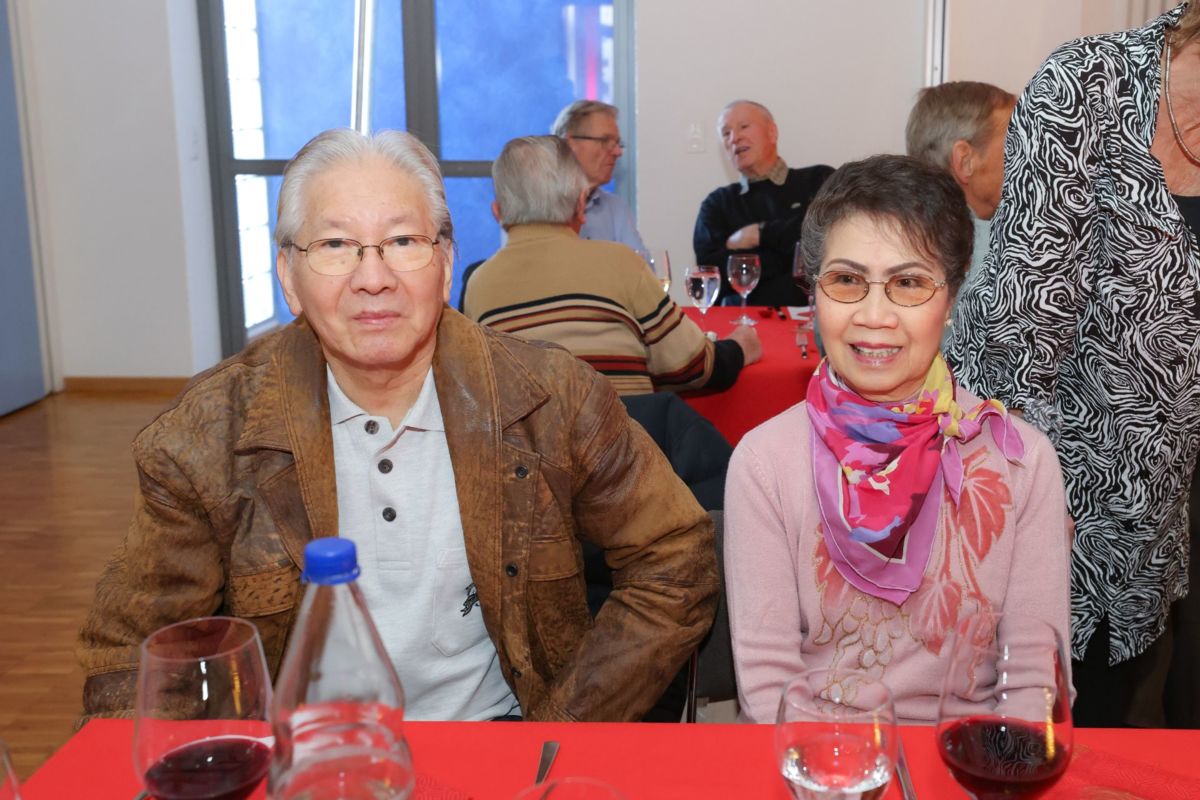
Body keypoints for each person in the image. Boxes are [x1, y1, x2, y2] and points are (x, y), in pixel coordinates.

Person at [77, 129, 719, 724]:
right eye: (335, 246)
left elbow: (674, 557)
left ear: (446, 263)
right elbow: (132, 654)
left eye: (404, 242)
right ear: (288, 277)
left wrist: (565, 729)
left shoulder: (552, 397)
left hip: (503, 740)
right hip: (307, 757)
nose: (373, 279)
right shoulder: (207, 436)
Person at [724, 155, 1071, 724]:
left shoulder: (1020, 460)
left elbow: (1034, 681)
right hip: (819, 754)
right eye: (847, 281)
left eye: (908, 283)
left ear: (951, 297)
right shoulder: (766, 462)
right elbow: (769, 692)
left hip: (972, 756)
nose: (874, 315)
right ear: (814, 291)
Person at [946, 2, 1200, 729]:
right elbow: (1015, 332)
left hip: (1166, 507)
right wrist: (1017, 504)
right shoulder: (1089, 83)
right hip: (1071, 498)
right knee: (1046, 728)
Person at [464, 135, 761, 396]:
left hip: (526, 445)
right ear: (581, 205)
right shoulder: (623, 264)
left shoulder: (478, 285)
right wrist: (739, 347)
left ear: (497, 213)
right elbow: (692, 366)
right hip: (620, 440)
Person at [693, 100, 834, 306]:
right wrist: (789, 253)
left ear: (772, 132)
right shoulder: (717, 204)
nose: (734, 138)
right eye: (726, 133)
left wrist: (760, 234)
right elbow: (711, 273)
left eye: (743, 126)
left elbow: (831, 243)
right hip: (741, 320)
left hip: (810, 317)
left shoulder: (819, 180)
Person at [905, 80, 1015, 276]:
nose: (1030, 157)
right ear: (965, 162)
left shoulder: (898, 232)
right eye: (1014, 145)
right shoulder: (1005, 257)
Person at [552, 99, 647, 259]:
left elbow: (642, 269)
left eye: (617, 143)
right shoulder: (535, 207)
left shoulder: (616, 209)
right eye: (605, 141)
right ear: (570, 144)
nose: (617, 152)